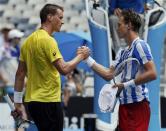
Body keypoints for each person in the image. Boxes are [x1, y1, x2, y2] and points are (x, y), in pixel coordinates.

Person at [12, 4, 90, 131]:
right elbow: (64, 69)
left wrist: (17, 103)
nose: (62, 21)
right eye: (60, 17)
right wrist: (81, 56)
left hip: (33, 102)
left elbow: (20, 74)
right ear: (49, 17)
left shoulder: (27, 41)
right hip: (48, 101)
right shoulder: (48, 40)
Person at [84, 10, 157, 131]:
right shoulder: (122, 52)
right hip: (124, 106)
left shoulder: (140, 45)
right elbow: (109, 74)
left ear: (129, 25)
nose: (117, 28)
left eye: (119, 24)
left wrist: (124, 85)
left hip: (138, 106)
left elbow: (152, 73)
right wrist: (87, 59)